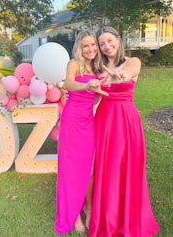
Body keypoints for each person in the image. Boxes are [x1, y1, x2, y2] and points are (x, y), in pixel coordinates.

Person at [88, 26, 160, 237]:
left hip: (126, 120)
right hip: (104, 120)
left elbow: (129, 73)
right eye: (102, 43)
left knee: (126, 166)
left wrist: (121, 74)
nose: (106, 46)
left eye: (110, 41)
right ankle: (107, 218)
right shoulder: (98, 68)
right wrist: (89, 91)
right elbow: (96, 98)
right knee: (106, 166)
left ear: (118, 40)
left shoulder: (132, 61)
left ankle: (128, 219)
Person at [55, 30, 107, 235]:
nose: (91, 49)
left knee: (90, 169)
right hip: (72, 120)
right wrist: (86, 85)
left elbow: (94, 98)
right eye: (86, 45)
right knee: (71, 168)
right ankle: (74, 213)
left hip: (88, 120)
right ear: (79, 47)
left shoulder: (97, 66)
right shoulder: (74, 64)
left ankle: (89, 206)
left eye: (93, 44)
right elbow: (67, 84)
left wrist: (94, 94)